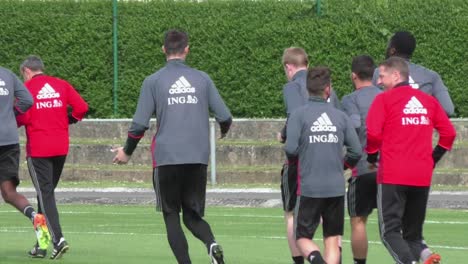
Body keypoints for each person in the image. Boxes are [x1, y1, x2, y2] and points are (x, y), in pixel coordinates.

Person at [112, 29, 232, 264]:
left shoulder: (153, 81)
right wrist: (224, 131)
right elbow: (225, 117)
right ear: (187, 49)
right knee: (192, 215)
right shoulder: (202, 78)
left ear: (163, 50)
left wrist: (126, 152)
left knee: (171, 215)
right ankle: (212, 244)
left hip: (167, 157)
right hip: (197, 157)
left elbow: (139, 125)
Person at [366, 57, 456, 264]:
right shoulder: (428, 101)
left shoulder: (383, 100)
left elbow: (372, 134)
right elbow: (449, 134)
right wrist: (432, 159)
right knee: (413, 235)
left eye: (382, 76)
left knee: (389, 232)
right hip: (421, 175)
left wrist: (372, 156)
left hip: (393, 174)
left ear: (396, 75)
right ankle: (422, 257)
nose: (378, 81)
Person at [284, 66, 361, 264]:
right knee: (333, 239)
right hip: (335, 187)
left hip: (309, 186)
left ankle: (316, 260)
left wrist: (304, 160)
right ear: (328, 89)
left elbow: (291, 149)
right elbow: (356, 152)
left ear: (307, 89)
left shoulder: (298, 115)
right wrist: (342, 165)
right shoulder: (341, 117)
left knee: (302, 237)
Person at [17, 55, 89, 259]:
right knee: (44, 196)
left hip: (39, 150)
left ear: (27, 72)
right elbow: (82, 108)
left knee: (45, 195)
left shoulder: (27, 90)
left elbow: (22, 117)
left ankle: (58, 240)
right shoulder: (61, 85)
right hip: (60, 148)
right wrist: (69, 120)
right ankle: (41, 245)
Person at [278, 47, 342, 264]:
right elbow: (338, 116)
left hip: (302, 159)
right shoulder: (326, 87)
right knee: (330, 221)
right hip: (330, 156)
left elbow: (295, 116)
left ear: (289, 67)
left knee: (292, 214)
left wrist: (283, 134)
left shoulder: (292, 87)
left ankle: (301, 260)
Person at [0, 64, 52, 253]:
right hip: (9, 139)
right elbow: (27, 100)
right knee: (9, 192)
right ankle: (34, 217)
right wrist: (8, 116)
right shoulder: (7, 74)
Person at [341, 55, 382, 264]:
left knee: (358, 221)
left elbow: (355, 124)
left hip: (364, 167)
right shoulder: (385, 96)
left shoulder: (350, 100)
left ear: (353, 76)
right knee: (394, 223)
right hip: (389, 169)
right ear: (374, 74)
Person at [372, 31, 454, 116]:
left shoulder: (379, 73)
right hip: (421, 126)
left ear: (392, 50)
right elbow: (448, 109)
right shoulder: (431, 76)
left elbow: (370, 107)